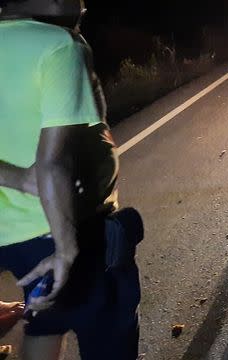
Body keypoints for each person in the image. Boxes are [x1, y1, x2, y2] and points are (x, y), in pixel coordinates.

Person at [0, 1, 140, 358]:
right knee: (109, 320)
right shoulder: (56, 45)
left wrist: (14, 177)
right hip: (60, 223)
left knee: (49, 317)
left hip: (12, 234)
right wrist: (66, 248)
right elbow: (53, 163)